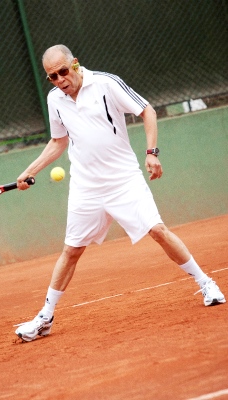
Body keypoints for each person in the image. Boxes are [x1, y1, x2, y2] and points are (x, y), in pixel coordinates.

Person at [15, 44, 226, 342]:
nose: (60, 79)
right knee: (71, 251)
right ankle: (45, 317)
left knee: (158, 230)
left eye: (63, 71)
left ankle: (206, 284)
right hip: (86, 186)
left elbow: (147, 110)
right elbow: (58, 141)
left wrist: (152, 152)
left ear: (75, 64)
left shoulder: (105, 83)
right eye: (52, 76)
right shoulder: (55, 100)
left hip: (123, 179)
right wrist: (30, 170)